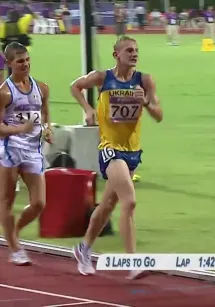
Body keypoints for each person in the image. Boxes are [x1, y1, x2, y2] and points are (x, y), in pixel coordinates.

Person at [70, 36, 163, 279]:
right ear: (116, 55)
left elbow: (159, 114)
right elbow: (75, 86)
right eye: (129, 50)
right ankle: (132, 262)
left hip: (132, 151)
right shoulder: (102, 78)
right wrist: (88, 109)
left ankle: (83, 248)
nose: (134, 54)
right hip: (110, 148)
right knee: (129, 201)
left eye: (136, 51)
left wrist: (145, 102)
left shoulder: (145, 80)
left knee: (108, 205)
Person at [0, 42, 52, 265]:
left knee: (39, 203)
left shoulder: (41, 87)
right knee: (6, 200)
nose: (26, 64)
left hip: (33, 150)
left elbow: (45, 111)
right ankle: (14, 247)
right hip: (10, 149)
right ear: (9, 63)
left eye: (27, 59)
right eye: (20, 61)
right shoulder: (4, 92)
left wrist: (48, 128)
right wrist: (20, 129)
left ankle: (14, 232)